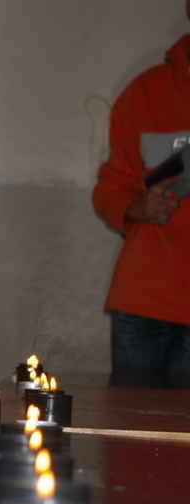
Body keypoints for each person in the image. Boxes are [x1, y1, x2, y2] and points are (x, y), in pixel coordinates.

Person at [93, 4, 190, 388]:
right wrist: (137, 207)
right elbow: (109, 189)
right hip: (145, 304)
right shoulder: (146, 92)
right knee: (130, 422)